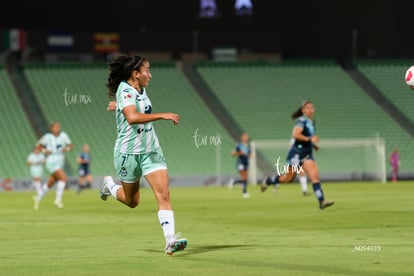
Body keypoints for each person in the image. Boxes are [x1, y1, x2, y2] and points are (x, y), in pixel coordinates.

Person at [100, 54, 188, 255]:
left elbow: (132, 105)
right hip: (128, 154)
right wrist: (161, 115)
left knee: (163, 193)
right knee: (132, 201)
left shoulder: (140, 87)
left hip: (151, 151)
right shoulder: (124, 89)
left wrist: (118, 106)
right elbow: (131, 117)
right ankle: (110, 185)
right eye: (147, 71)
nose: (150, 75)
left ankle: (170, 240)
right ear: (135, 73)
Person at [260, 101, 334, 210]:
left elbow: (308, 138)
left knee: (314, 176)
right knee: (287, 179)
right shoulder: (301, 121)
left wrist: (313, 145)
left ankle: (321, 201)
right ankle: (269, 181)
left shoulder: (311, 122)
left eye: (312, 107)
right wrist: (310, 139)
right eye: (307, 108)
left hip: (307, 154)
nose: (310, 109)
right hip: (296, 154)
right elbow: (296, 135)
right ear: (303, 110)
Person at [32, 121, 73, 210]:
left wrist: (65, 148)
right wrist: (45, 151)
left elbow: (71, 146)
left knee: (50, 183)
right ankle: (58, 200)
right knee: (63, 178)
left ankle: (38, 197)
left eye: (58, 127)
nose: (57, 128)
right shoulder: (47, 137)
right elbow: (38, 146)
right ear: (51, 128)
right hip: (51, 161)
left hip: (60, 161)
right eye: (55, 127)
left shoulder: (63, 136)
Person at [228, 132, 251, 198]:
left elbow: (250, 155)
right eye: (245, 137)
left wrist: (246, 154)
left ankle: (234, 182)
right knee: (244, 178)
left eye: (247, 137)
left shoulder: (248, 146)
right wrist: (239, 153)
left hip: (246, 163)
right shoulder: (239, 146)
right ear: (242, 138)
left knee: (245, 179)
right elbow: (232, 153)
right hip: (240, 163)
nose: (246, 138)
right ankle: (244, 193)